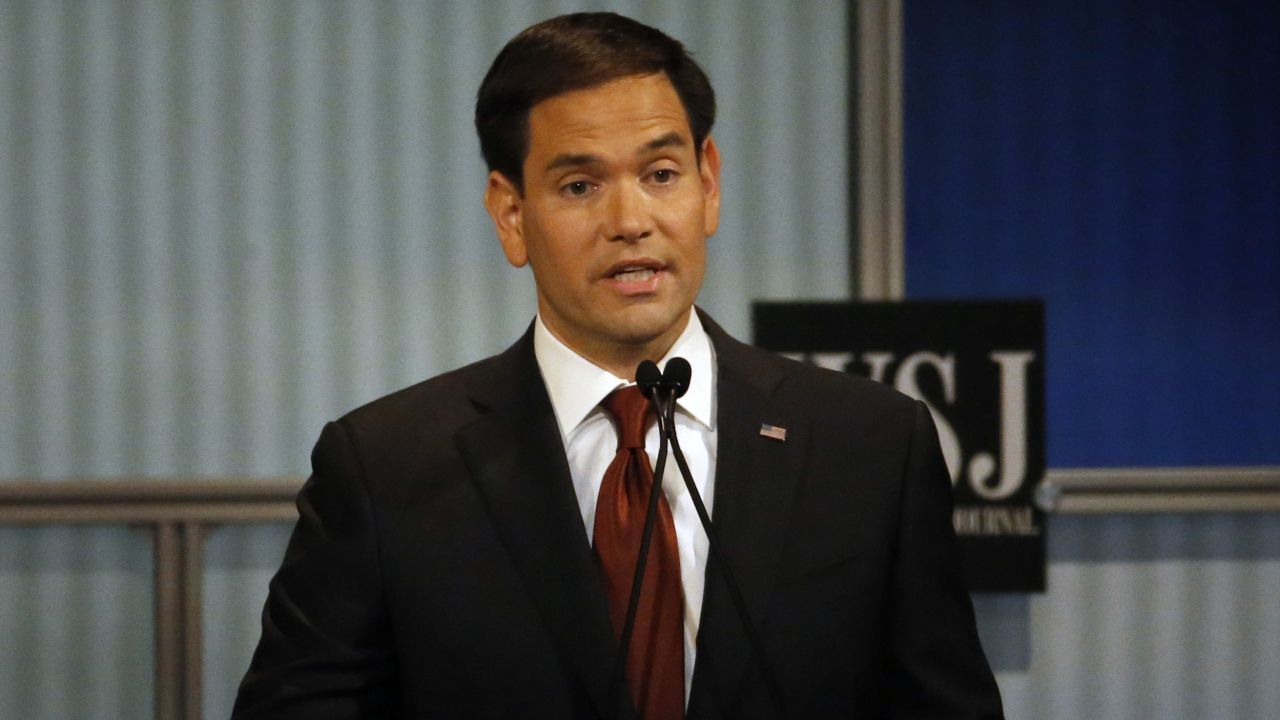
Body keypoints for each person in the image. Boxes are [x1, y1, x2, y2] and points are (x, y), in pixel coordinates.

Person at [232, 12, 1003, 720]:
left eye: (660, 175)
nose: (630, 222)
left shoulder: (869, 444)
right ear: (511, 215)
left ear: (708, 183)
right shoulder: (386, 466)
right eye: (580, 186)